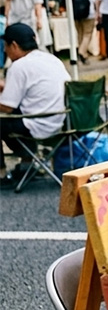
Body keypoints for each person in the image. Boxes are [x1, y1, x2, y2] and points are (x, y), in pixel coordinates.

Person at [0, 23, 70, 187]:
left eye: (5, 47)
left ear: (14, 45)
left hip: (37, 125)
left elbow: (7, 106)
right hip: (62, 123)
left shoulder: (19, 66)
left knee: (7, 119)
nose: (4, 51)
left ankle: (1, 173)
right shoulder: (52, 59)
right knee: (25, 111)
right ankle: (26, 165)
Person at [68, 0, 100, 64]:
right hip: (88, 10)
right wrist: (98, 11)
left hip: (75, 11)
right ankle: (82, 52)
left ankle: (84, 55)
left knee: (80, 33)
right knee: (87, 33)